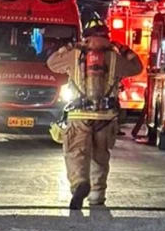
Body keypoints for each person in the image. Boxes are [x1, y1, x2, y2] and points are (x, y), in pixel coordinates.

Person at [47, 17, 143, 209]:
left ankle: (79, 184)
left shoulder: (74, 54)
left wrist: (69, 47)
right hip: (106, 117)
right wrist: (123, 48)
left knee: (76, 153)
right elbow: (137, 67)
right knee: (100, 156)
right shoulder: (115, 57)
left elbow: (51, 63)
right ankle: (97, 196)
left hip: (78, 115)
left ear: (86, 36)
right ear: (106, 36)